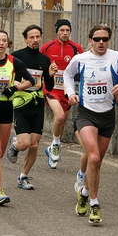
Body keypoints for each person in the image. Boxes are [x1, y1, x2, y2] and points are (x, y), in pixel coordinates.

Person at [63, 25, 118, 224]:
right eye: (97, 39)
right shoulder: (81, 59)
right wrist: (70, 93)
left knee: (97, 162)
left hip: (107, 117)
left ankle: (85, 193)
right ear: (90, 40)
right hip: (86, 114)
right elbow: (67, 75)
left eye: (105, 39)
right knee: (93, 157)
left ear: (109, 40)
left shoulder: (116, 58)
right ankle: (95, 204)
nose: (101, 42)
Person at [0, 30, 35, 205]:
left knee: (0, 151)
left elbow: (31, 81)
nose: (1, 43)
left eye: (4, 40)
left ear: (8, 43)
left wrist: (15, 89)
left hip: (6, 107)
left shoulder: (14, 62)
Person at [6, 24, 58, 190]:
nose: (35, 40)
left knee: (34, 145)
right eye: (32, 37)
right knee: (24, 144)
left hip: (37, 104)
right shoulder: (16, 57)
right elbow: (7, 77)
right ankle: (14, 145)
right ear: (26, 39)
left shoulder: (44, 59)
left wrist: (50, 75)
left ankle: (23, 177)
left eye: (38, 37)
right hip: (21, 103)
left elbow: (48, 87)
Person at [40, 19, 84, 169]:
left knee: (62, 121)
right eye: (62, 30)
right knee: (59, 116)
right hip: (51, 88)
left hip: (67, 90)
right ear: (56, 31)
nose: (65, 33)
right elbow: (40, 66)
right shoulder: (47, 47)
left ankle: (52, 146)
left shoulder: (76, 48)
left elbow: (83, 66)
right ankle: (57, 144)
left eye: (67, 30)